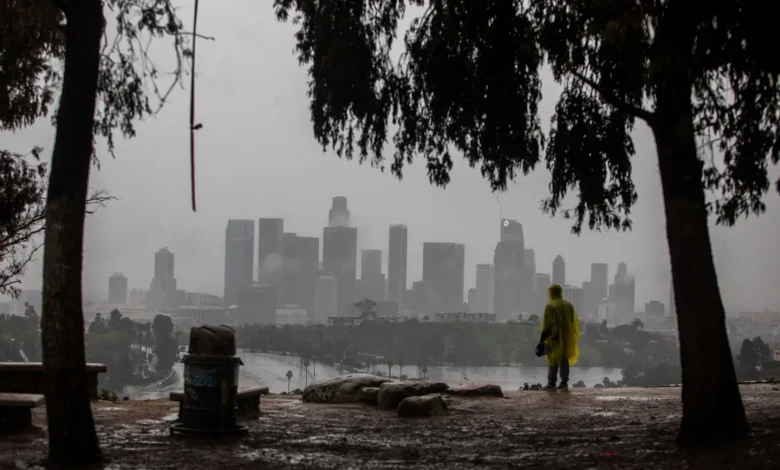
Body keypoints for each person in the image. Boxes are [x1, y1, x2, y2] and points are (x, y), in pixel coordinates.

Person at [537, 283, 580, 391]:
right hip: (567, 338)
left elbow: (547, 326)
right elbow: (573, 322)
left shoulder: (550, 306)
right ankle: (564, 383)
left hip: (554, 338)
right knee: (564, 359)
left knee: (553, 359)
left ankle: (551, 383)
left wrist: (541, 341)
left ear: (551, 293)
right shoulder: (569, 305)